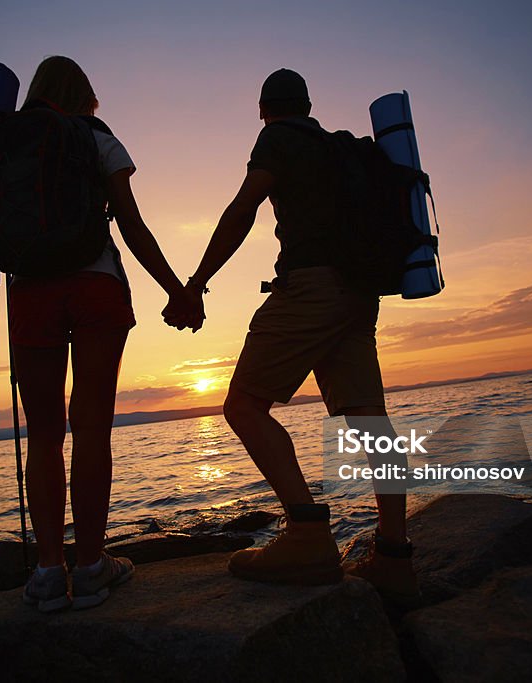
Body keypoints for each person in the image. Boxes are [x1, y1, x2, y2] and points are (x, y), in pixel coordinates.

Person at [165, 68, 419, 602]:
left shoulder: (276, 138)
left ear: (265, 110)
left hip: (310, 287)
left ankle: (306, 535)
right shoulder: (338, 148)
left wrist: (197, 282)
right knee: (369, 416)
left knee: (243, 406)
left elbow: (244, 208)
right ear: (308, 104)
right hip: (358, 291)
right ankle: (394, 555)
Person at [13, 56, 202, 612]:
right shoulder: (96, 137)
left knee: (45, 433)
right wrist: (177, 290)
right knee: (91, 426)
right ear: (86, 95)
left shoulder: (11, 141)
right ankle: (92, 566)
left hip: (30, 292)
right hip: (96, 287)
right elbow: (132, 224)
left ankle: (49, 573)